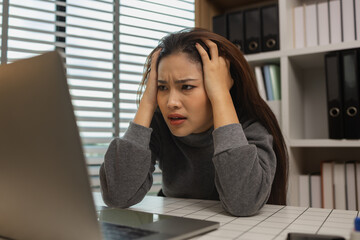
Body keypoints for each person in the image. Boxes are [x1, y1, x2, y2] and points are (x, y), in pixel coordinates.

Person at [100, 28, 288, 217]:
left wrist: (221, 95)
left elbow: (243, 203)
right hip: (174, 224)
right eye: (162, 87)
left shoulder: (251, 129)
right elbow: (118, 196)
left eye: (187, 86)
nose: (171, 102)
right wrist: (148, 102)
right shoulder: (159, 125)